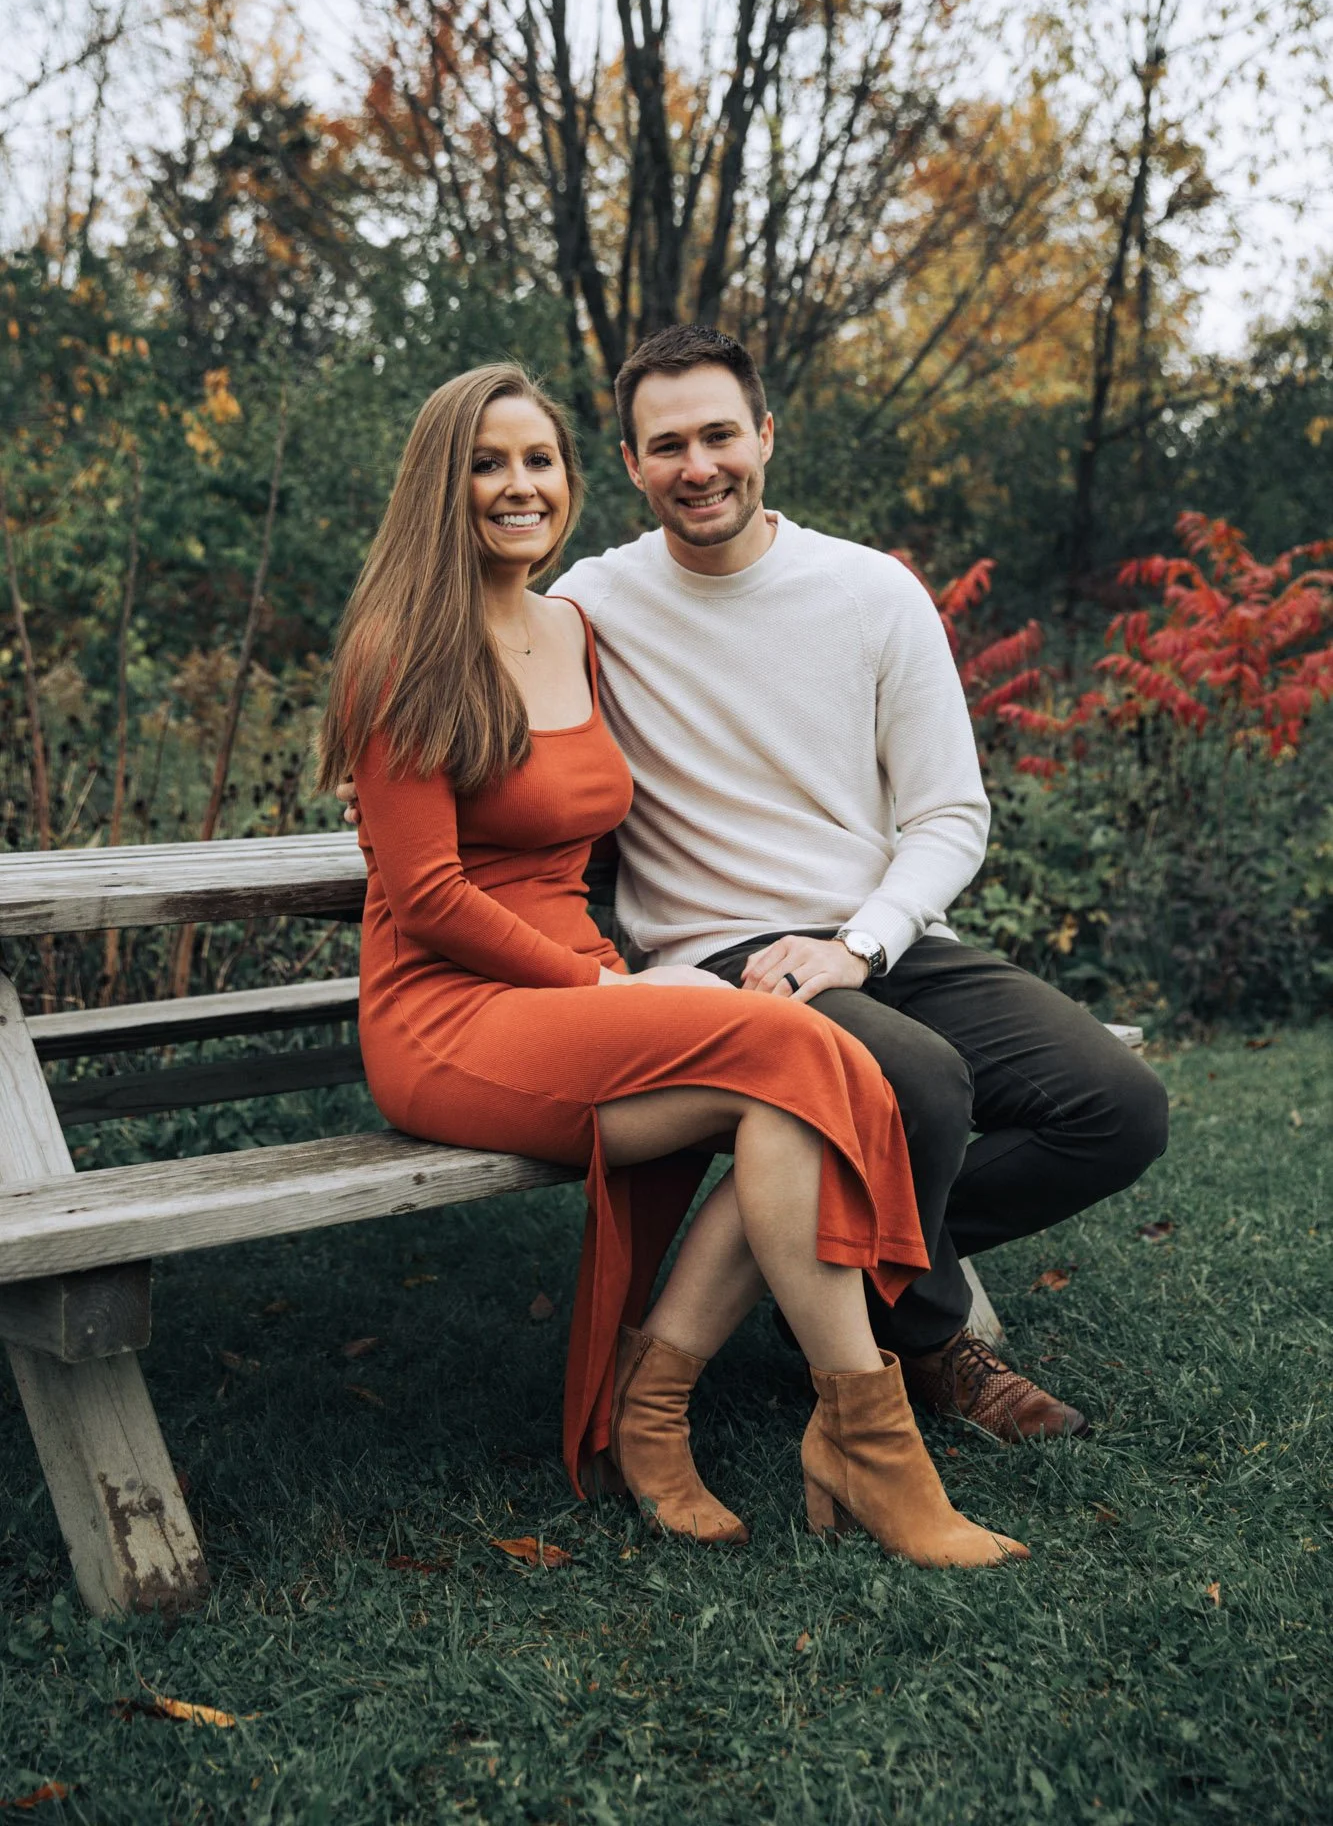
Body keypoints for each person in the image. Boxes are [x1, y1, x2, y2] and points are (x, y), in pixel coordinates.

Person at [347, 326, 1169, 1441]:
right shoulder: (591, 605)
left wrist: (863, 941)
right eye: (666, 443)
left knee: (1113, 1108)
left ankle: (839, 1258)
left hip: (872, 934)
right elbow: (475, 734)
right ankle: (928, 1342)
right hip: (714, 954)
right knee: (916, 1085)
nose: (699, 465)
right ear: (631, 468)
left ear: (766, 436)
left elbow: (947, 814)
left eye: (720, 433)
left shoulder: (871, 590)